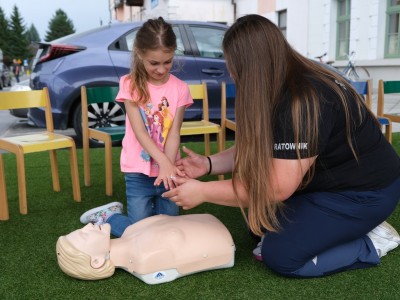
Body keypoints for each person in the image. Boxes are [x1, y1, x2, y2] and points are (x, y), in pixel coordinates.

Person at [163, 14, 400, 278]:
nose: (230, 71)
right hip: (327, 182)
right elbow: (261, 146)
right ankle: (341, 226)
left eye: (232, 63)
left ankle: (372, 242)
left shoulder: (303, 102)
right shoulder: (283, 80)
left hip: (365, 193)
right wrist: (208, 164)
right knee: (258, 225)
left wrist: (204, 192)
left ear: (250, 64)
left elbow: (277, 187)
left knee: (281, 256)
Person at [79, 17, 193, 237]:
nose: (161, 69)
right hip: (138, 171)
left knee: (167, 230)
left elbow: (174, 132)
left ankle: (143, 218)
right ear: (139, 53)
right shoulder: (129, 84)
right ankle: (109, 216)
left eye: (167, 61)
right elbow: (140, 131)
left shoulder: (180, 89)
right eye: (154, 63)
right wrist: (162, 163)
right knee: (138, 233)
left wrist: (167, 167)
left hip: (168, 169)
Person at [56, 214, 235, 284]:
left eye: (83, 229)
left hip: (208, 224)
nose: (88, 227)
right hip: (221, 240)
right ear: (97, 261)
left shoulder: (130, 233)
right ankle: (111, 215)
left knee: (127, 226)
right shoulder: (145, 259)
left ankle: (111, 215)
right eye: (85, 235)